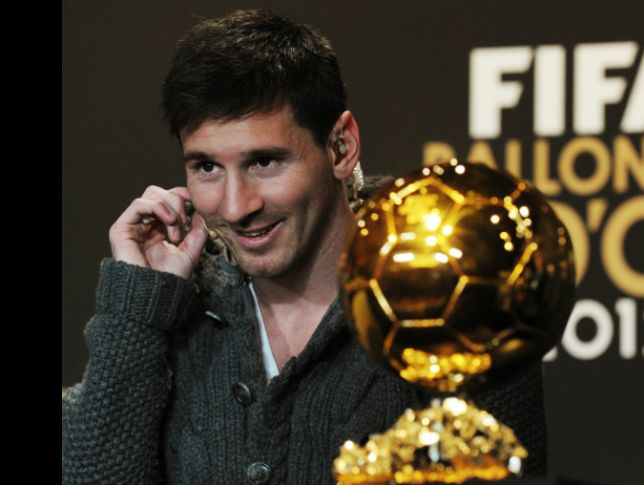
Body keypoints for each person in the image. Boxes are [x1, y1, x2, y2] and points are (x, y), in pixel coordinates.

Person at [62, 9, 547, 484]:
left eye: (264, 162)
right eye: (207, 167)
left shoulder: (454, 301)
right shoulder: (169, 307)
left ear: (340, 147)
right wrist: (140, 310)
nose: (234, 207)